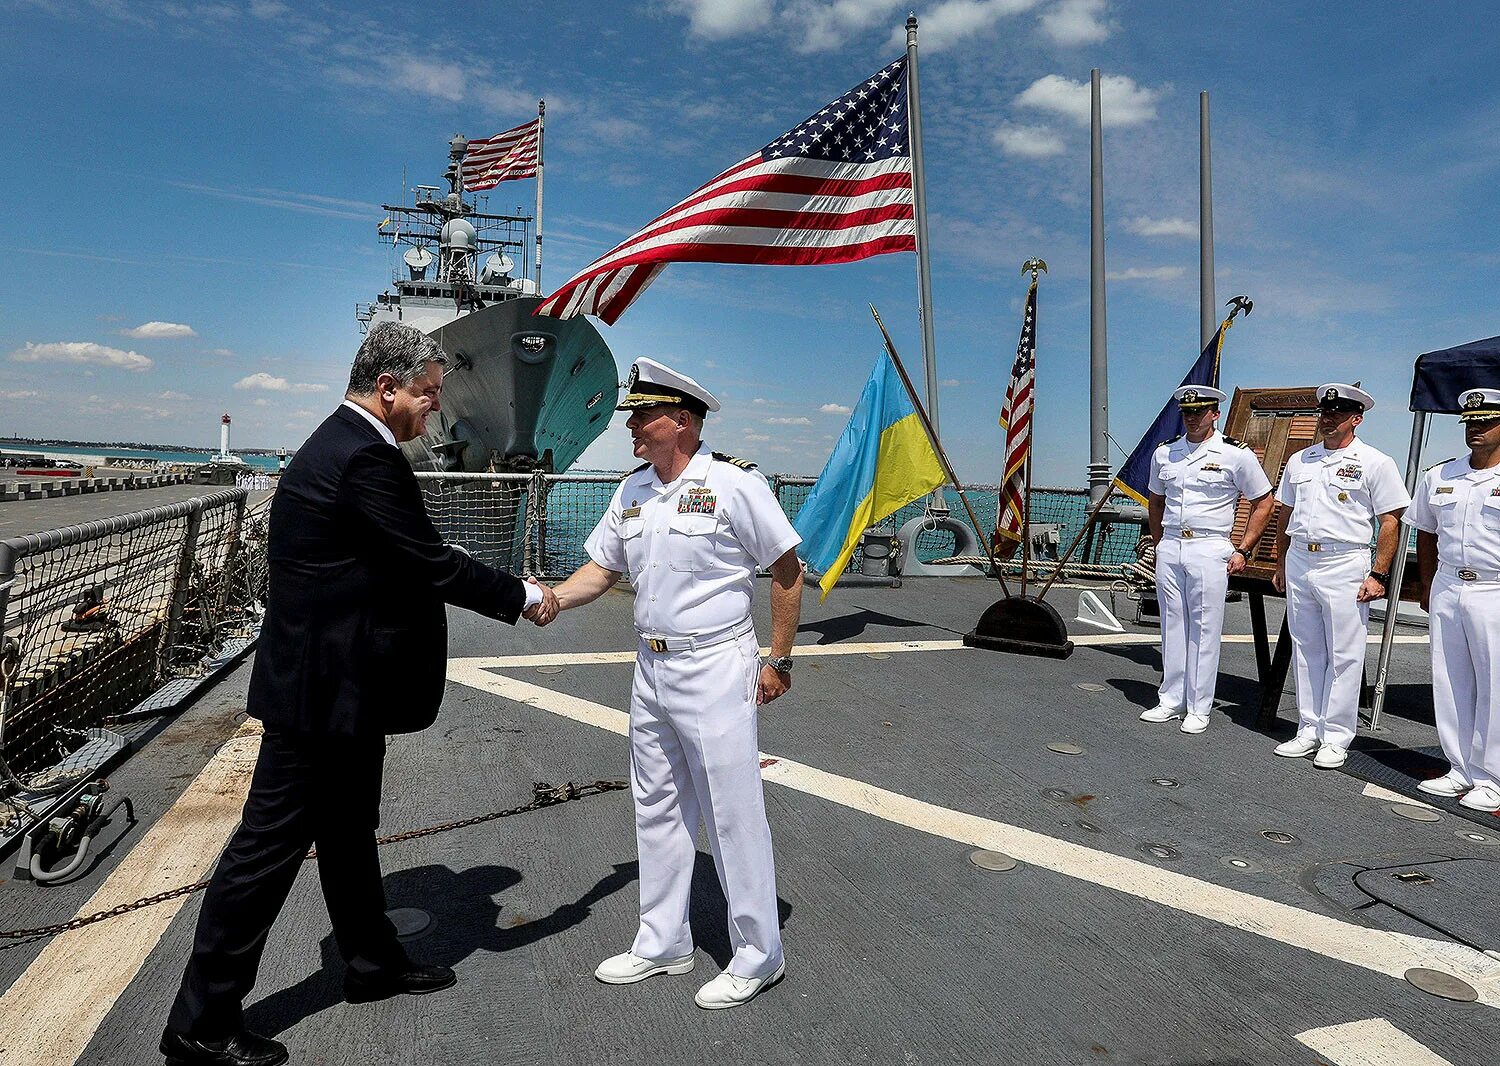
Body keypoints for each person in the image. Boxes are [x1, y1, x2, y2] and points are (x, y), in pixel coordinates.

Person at [161, 323, 555, 1066]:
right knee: (264, 853)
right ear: (388, 388)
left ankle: (371, 965)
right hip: (320, 697)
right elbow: (430, 563)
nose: (435, 410)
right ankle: (201, 1021)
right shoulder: (364, 459)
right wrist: (524, 595)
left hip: (340, 689)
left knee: (346, 835)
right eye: (428, 395)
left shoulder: (342, 445)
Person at [539, 357, 803, 1010]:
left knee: (732, 813)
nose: (629, 423)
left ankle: (759, 953)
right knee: (656, 806)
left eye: (640, 414)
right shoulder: (632, 490)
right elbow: (599, 571)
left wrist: (779, 659)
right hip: (652, 670)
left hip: (716, 666)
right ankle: (663, 940)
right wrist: (546, 597)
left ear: (680, 422)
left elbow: (788, 569)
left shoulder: (735, 484)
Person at [1271, 383, 1409, 768]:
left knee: (1345, 653)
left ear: (1356, 419)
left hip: (1344, 562)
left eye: (1336, 415)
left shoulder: (1375, 462)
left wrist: (1378, 573)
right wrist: (1281, 562)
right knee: (1306, 647)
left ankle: (1336, 736)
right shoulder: (1301, 461)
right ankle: (1308, 728)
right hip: (1301, 559)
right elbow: (1285, 515)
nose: (1327, 419)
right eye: (1324, 413)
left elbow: (1390, 521)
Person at [1140, 386, 1275, 734]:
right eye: (1187, 412)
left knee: (1204, 627)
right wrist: (1160, 545)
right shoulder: (1165, 454)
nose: (1192, 418)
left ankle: (1199, 706)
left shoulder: (1236, 455)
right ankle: (1170, 699)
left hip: (1210, 546)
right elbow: (1156, 502)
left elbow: (1264, 501)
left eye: (1199, 412)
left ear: (1215, 413)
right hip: (1171, 545)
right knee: (1172, 624)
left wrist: (1243, 549)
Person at [1404, 387, 1500, 812]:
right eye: (1471, 423)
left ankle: (1492, 777)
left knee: (1494, 685)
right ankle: (1459, 768)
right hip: (1447, 585)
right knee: (1449, 679)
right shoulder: (1440, 475)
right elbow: (1425, 531)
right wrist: (1427, 585)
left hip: (1494, 588)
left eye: (1485, 422)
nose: (1475, 429)